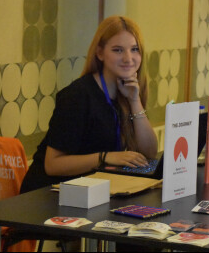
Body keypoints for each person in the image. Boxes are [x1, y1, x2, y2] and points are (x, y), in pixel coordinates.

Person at [20, 15, 158, 194]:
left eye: (134, 49)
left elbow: (149, 153)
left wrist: (134, 101)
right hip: (49, 194)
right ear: (100, 53)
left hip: (91, 191)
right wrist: (105, 157)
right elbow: (52, 165)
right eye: (117, 50)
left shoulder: (128, 92)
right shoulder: (77, 95)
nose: (128, 58)